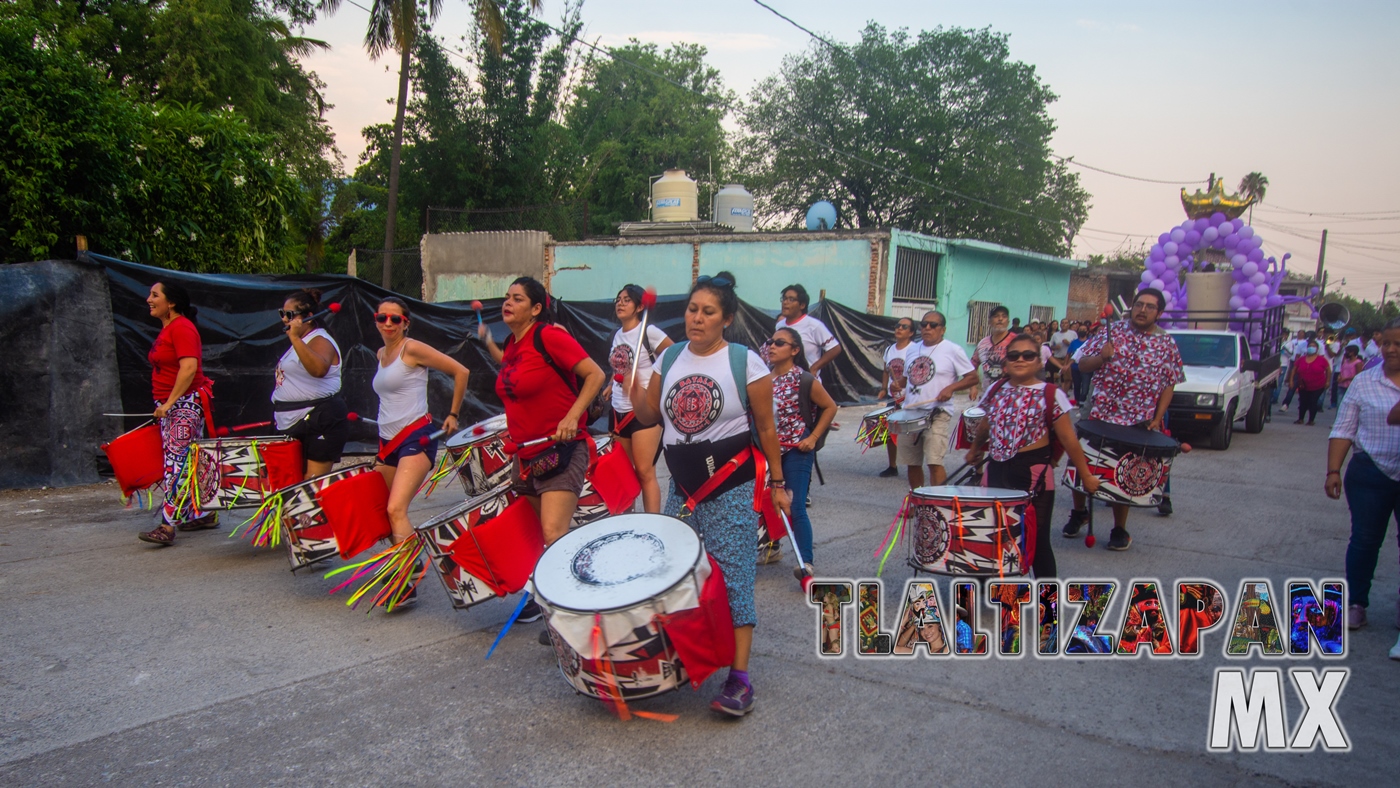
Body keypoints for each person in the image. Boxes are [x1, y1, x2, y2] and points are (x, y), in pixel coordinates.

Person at [631, 271, 790, 717]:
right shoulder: (671, 358)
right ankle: (684, 657)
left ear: (727, 319)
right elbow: (648, 416)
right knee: (677, 575)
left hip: (731, 489)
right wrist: (633, 379)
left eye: (707, 312)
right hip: (681, 488)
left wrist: (778, 484)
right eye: (691, 310)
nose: (696, 318)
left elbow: (766, 428)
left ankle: (739, 680)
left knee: (734, 579)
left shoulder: (745, 364)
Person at [479, 277, 607, 623]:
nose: (508, 302)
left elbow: (595, 375)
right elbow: (516, 376)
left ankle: (574, 612)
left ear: (536, 308)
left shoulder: (549, 336)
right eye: (507, 297)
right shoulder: (512, 343)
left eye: (517, 298)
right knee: (543, 532)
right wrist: (490, 343)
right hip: (524, 454)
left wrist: (572, 415)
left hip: (561, 448)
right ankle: (547, 592)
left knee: (554, 532)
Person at [966, 334, 1101, 577]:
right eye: (1014, 355)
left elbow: (1070, 440)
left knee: (1037, 542)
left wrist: (1086, 475)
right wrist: (975, 449)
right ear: (1006, 362)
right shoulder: (996, 389)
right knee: (992, 535)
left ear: (1039, 362)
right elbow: (986, 423)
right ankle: (988, 594)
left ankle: (1048, 606)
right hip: (996, 470)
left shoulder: (1050, 393)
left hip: (1034, 474)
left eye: (1028, 355)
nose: (1020, 359)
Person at [1062, 288, 1184, 551]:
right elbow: (1082, 366)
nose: (1142, 310)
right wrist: (1101, 357)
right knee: (1081, 465)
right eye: (1138, 304)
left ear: (1159, 313)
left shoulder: (1167, 344)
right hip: (1097, 414)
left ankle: (1119, 529)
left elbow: (1169, 384)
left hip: (1136, 420)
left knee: (1122, 474)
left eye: (1149, 307)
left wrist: (1158, 417)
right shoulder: (1111, 331)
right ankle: (1079, 512)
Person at [372, 297, 471, 608]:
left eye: (395, 319)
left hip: (416, 436)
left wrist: (453, 413)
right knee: (379, 509)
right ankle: (409, 559)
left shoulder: (411, 348)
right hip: (386, 441)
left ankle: (404, 583)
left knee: (395, 509)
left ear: (406, 322)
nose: (388, 323)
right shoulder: (380, 353)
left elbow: (461, 371)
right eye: (382, 317)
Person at [1325, 318, 1400, 658]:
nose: (1391, 349)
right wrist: (1333, 470)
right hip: (1370, 470)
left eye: (1398, 344)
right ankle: (1356, 603)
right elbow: (1344, 428)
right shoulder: (1364, 382)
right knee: (1366, 539)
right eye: (1386, 343)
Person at [138, 281, 216, 545]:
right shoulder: (171, 328)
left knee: (177, 465)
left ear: (171, 303)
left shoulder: (181, 328)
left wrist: (170, 403)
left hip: (183, 406)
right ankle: (200, 515)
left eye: (155, 295)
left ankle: (167, 527)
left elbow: (189, 367)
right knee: (187, 463)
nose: (149, 299)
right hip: (177, 404)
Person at [765, 325, 838, 580]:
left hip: (797, 450)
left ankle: (805, 561)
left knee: (795, 505)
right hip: (766, 452)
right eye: (771, 342)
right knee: (764, 503)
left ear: (795, 350)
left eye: (780, 343)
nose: (772, 346)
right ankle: (770, 548)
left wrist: (813, 437)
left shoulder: (805, 379)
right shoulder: (761, 378)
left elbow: (830, 407)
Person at [607, 284, 673, 513]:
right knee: (623, 474)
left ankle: (652, 524)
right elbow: (620, 366)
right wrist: (611, 384)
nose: (620, 303)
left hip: (643, 411)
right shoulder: (617, 335)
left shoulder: (649, 332)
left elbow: (674, 357)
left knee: (644, 472)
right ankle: (629, 523)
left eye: (627, 300)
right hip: (617, 409)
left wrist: (651, 386)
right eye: (618, 299)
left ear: (640, 306)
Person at [272, 289, 349, 479]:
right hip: (292, 420)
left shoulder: (320, 340)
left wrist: (295, 338)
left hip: (318, 419)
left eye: (290, 315)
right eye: (282, 314)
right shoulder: (301, 342)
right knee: (289, 485)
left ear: (308, 317)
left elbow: (318, 370)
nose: (284, 319)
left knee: (309, 490)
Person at [899, 311, 979, 489]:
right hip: (911, 412)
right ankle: (918, 502)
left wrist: (951, 388)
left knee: (934, 461)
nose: (927, 328)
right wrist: (896, 385)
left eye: (933, 325)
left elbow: (972, 377)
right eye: (924, 324)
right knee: (912, 462)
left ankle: (938, 505)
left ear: (942, 329)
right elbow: (907, 378)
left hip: (937, 412)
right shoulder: (912, 348)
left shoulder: (953, 350)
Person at [877, 318, 917, 477]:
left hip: (909, 397)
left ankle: (913, 465)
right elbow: (886, 370)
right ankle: (892, 465)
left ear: (911, 332)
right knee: (890, 429)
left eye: (904, 326)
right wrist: (883, 388)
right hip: (892, 395)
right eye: (897, 326)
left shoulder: (915, 349)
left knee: (909, 432)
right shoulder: (889, 350)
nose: (899, 328)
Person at [971, 305, 1015, 392]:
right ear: (989, 322)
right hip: (987, 394)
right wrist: (973, 386)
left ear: (1008, 321)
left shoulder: (1016, 341)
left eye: (1004, 316)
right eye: (996, 316)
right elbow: (972, 365)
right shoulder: (983, 344)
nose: (1000, 319)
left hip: (1010, 393)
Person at [1288, 339, 1329, 425]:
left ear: (1317, 349)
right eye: (1310, 346)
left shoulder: (1322, 360)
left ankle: (1311, 420)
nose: (1311, 348)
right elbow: (1294, 370)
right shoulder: (1301, 359)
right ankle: (1300, 418)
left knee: (1313, 401)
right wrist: (1291, 380)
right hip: (1303, 384)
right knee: (1303, 401)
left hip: (1318, 385)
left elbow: (1328, 371)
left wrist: (1328, 381)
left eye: (1313, 346)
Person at [1281, 330, 1310, 412]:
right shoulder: (1301, 345)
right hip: (1299, 367)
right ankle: (1286, 404)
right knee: (1292, 388)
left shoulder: (1319, 346)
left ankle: (1304, 406)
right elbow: (1297, 356)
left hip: (1310, 370)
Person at [1068, 328, 1089, 404]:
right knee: (1076, 385)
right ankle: (1077, 401)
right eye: (1081, 329)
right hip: (1075, 367)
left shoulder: (1090, 341)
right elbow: (1069, 354)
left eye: (1084, 329)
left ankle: (1083, 401)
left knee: (1085, 386)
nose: (1082, 331)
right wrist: (1067, 365)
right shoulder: (1074, 342)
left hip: (1086, 368)